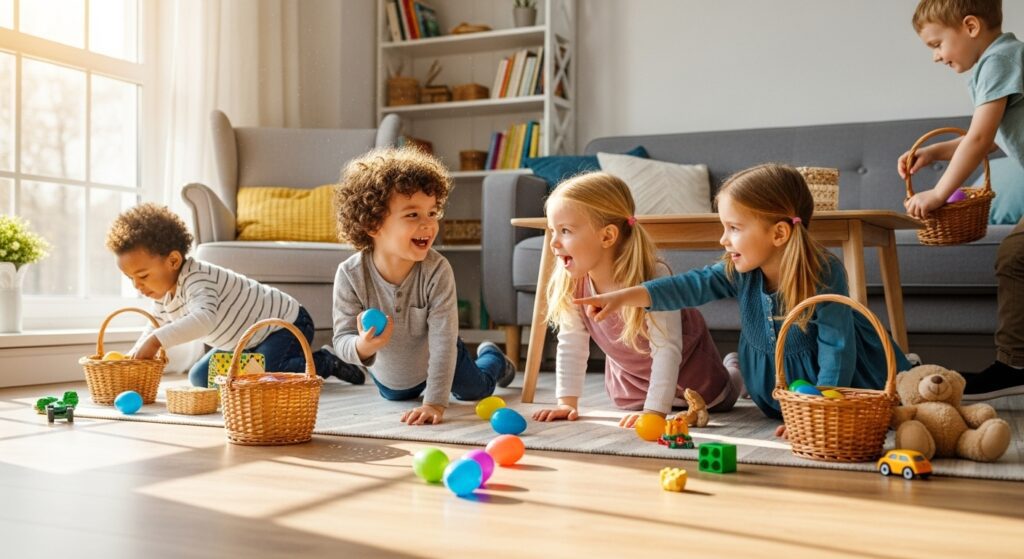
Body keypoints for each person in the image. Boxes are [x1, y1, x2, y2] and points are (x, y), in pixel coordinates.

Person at [575, 164, 913, 424]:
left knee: (900, 397)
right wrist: (624, 296)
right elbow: (688, 286)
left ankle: (910, 371)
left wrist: (820, 408)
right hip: (773, 386)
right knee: (775, 409)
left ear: (779, 233)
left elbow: (837, 347)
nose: (723, 239)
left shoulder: (823, 271)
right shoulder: (740, 269)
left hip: (834, 378)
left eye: (734, 228)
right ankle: (741, 369)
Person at [531, 173, 741, 427]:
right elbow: (572, 343)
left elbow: (666, 349)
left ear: (607, 236)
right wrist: (567, 402)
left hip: (694, 378)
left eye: (565, 231)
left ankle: (735, 368)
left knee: (727, 392)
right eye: (552, 230)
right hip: (632, 387)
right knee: (628, 404)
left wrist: (654, 412)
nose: (553, 242)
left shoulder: (652, 276)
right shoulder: (573, 282)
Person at [331, 147, 516, 425]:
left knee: (475, 390)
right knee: (397, 395)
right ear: (372, 224)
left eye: (432, 213)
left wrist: (434, 404)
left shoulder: (437, 270)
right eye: (412, 215)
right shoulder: (350, 275)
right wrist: (363, 345)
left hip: (441, 357)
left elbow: (442, 344)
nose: (428, 225)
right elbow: (341, 339)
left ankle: (494, 358)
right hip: (393, 377)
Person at [900, 0, 1024, 400]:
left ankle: (1015, 365)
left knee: (1016, 256)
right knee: (1016, 256)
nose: (936, 56)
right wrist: (935, 152)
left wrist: (938, 193)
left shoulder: (999, 59)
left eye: (937, 44)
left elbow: (980, 139)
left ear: (970, 26)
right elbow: (982, 135)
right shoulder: (1001, 60)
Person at [106, 203, 364, 386]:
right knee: (199, 377)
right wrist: (136, 352)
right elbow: (155, 326)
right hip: (244, 343)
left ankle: (325, 361)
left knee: (265, 374)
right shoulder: (161, 295)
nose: (137, 286)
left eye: (142, 276)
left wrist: (155, 342)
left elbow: (203, 319)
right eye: (130, 279)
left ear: (173, 260)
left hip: (285, 325)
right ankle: (264, 366)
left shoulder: (198, 278)